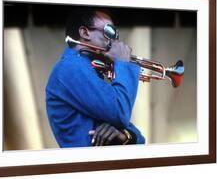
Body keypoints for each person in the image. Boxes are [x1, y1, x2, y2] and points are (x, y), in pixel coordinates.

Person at [45, 8, 145, 148]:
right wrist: (123, 64)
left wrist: (126, 135)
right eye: (109, 31)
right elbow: (119, 112)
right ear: (85, 33)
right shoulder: (70, 67)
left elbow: (138, 137)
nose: (115, 40)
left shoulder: (87, 68)